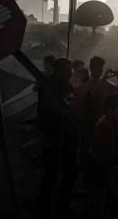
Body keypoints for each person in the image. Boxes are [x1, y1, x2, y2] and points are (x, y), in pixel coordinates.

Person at [36, 58, 79, 219]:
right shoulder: (48, 85)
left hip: (66, 136)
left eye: (71, 70)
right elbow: (52, 106)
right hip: (51, 136)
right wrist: (68, 105)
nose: (70, 73)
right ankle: (43, 208)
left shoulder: (66, 85)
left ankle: (62, 206)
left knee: (69, 172)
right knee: (51, 174)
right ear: (58, 70)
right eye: (67, 70)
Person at [85, 93, 118, 219]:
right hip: (98, 172)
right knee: (97, 205)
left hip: (103, 171)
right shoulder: (105, 126)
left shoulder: (111, 122)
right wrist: (115, 171)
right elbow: (101, 154)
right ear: (110, 110)